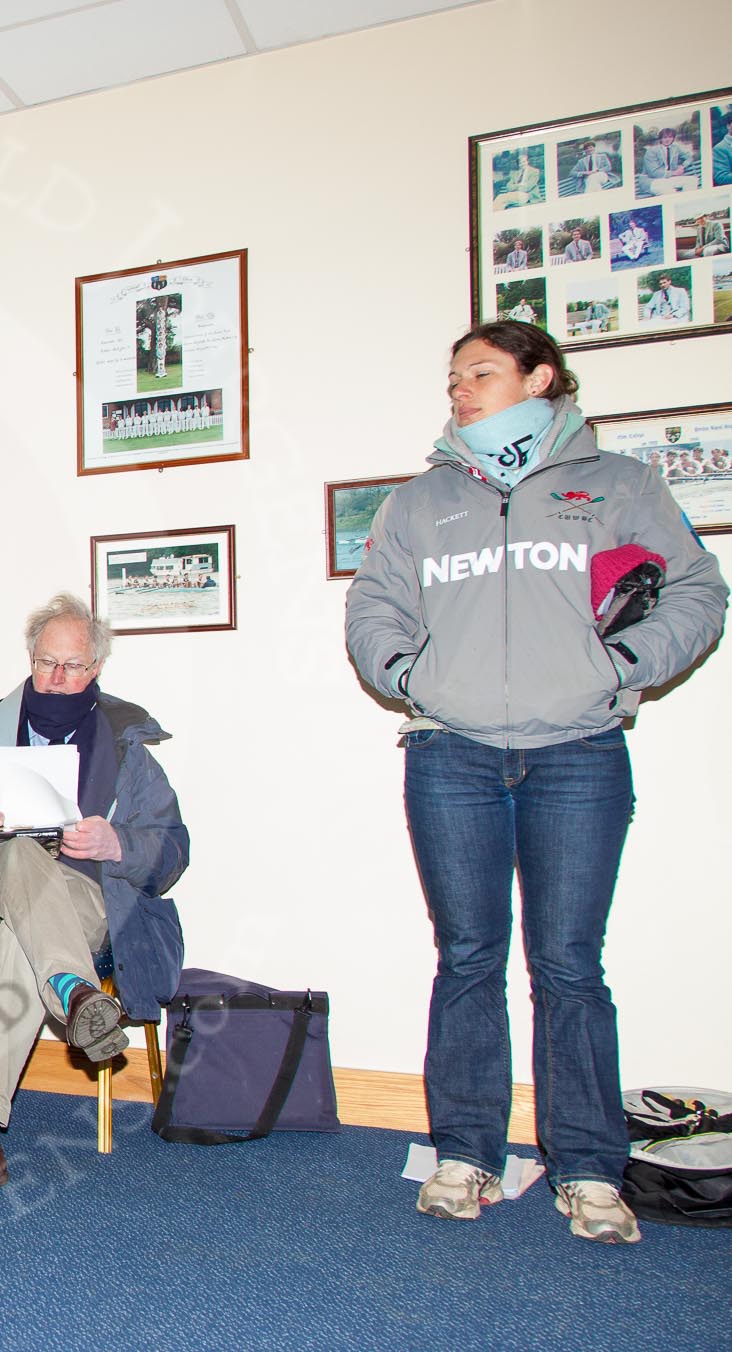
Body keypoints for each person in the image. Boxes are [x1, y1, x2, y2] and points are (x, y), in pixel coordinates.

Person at [344, 321, 726, 1244]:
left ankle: (589, 1171)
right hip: (452, 756)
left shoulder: (619, 485)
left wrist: (618, 666)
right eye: (453, 375)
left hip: (579, 752)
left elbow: (698, 592)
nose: (460, 388)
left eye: (481, 371)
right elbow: (372, 607)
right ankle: (466, 1154)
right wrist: (407, 676)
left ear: (540, 378)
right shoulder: (421, 501)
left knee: (568, 968)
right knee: (467, 957)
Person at [0, 593, 189, 1190]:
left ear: (97, 668)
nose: (58, 679)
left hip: (78, 901)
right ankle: (75, 991)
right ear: (30, 659)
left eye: (73, 665)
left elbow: (172, 846)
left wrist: (117, 845)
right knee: (21, 855)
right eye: (46, 663)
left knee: (21, 943)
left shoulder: (125, 744)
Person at [639, 126, 695, 196]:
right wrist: (674, 173)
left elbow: (689, 157)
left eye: (670, 137)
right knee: (670, 191)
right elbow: (653, 173)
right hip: (651, 181)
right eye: (665, 137)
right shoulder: (651, 151)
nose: (668, 139)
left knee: (692, 180)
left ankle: (687, 202)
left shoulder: (675, 148)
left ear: (673, 138)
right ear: (660, 139)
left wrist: (682, 166)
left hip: (668, 179)